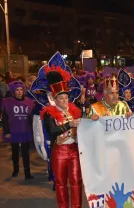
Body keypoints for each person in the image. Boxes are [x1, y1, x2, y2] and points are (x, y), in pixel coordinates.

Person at [40, 67, 83, 208]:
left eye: (66, 97)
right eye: (61, 98)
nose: (64, 100)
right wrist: (69, 124)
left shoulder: (75, 111)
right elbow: (52, 131)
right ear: (54, 99)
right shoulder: (49, 113)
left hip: (74, 149)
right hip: (59, 151)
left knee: (76, 181)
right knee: (61, 182)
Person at [2, 81, 34, 179]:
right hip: (13, 131)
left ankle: (27, 173)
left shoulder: (29, 101)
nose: (19, 92)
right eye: (17, 90)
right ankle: (15, 170)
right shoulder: (8, 102)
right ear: (13, 91)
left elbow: (31, 118)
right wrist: (6, 131)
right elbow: (5, 118)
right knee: (15, 152)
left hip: (25, 130)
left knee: (25, 153)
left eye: (21, 90)